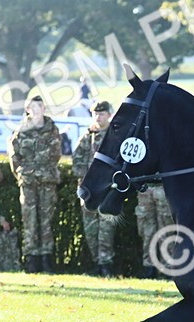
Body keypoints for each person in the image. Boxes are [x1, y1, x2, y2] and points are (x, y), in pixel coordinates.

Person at [7, 94, 61, 273]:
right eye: (33, 106)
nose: (36, 110)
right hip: (28, 182)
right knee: (29, 220)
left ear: (44, 109)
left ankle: (46, 259)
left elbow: (56, 154)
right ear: (27, 109)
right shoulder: (20, 131)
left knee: (46, 221)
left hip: (47, 180)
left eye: (40, 106)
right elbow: (14, 157)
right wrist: (23, 174)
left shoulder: (52, 129)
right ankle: (31, 259)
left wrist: (45, 170)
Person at [71, 100, 121, 277]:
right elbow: (76, 160)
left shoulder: (115, 135)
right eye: (95, 114)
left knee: (106, 231)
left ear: (109, 115)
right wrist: (86, 179)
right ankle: (96, 264)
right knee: (90, 230)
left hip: (108, 190)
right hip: (89, 192)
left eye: (101, 114)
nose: (98, 117)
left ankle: (106, 264)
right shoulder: (87, 136)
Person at [136, 186, 174, 279]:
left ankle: (167, 269)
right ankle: (149, 268)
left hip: (163, 187)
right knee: (147, 232)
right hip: (145, 187)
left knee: (166, 231)